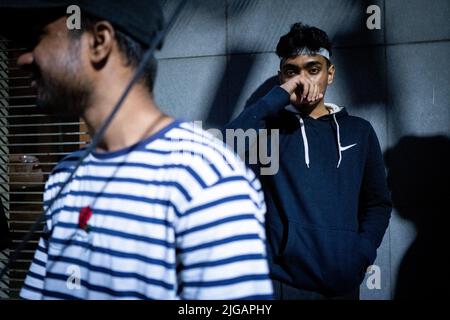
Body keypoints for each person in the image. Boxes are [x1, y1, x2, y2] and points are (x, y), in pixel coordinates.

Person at [0, 1, 273, 300]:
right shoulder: (64, 175)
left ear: (98, 41)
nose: (23, 59)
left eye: (38, 37)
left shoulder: (205, 178)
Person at [223, 22, 392, 300]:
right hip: (281, 282)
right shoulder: (268, 130)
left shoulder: (359, 131)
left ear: (330, 74)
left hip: (342, 282)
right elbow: (223, 150)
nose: (304, 81)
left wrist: (360, 254)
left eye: (313, 69)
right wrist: (276, 97)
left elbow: (378, 203)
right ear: (282, 78)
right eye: (292, 71)